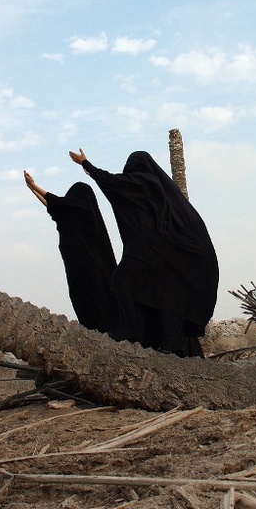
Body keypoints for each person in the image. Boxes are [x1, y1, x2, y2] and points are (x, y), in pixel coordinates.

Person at [69, 148, 218, 357]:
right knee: (164, 296)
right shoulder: (162, 189)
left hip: (150, 249)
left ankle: (132, 329)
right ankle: (169, 342)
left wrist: (86, 164)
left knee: (122, 280)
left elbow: (111, 182)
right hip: (166, 253)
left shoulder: (143, 181)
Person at [24, 172, 119, 333]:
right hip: (80, 267)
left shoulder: (82, 210)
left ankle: (100, 329)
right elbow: (53, 206)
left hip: (86, 267)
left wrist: (34, 186)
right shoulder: (75, 214)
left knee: (90, 298)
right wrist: (33, 190)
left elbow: (57, 203)